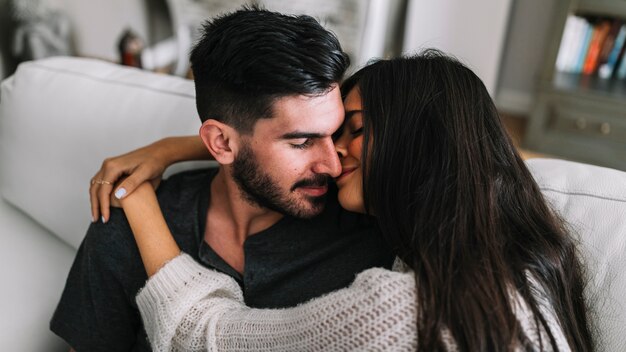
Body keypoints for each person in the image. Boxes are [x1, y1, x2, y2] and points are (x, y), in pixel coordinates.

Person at [107, 52, 594, 351]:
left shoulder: (402, 311)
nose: (332, 156)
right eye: (309, 140)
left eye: (354, 131)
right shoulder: (532, 257)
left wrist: (136, 193)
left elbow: (205, 336)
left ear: (420, 143)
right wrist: (177, 148)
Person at [50, 7, 394, 351]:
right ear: (221, 142)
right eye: (302, 142)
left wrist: (169, 149)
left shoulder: (372, 228)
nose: (333, 166)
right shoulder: (125, 227)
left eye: (335, 134)